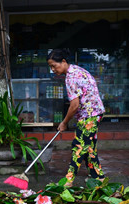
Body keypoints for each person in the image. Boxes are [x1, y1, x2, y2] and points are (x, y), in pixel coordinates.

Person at [47, 49, 105, 187]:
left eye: (54, 66)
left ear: (63, 62)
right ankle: (98, 177)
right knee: (89, 146)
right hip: (95, 113)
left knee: (78, 146)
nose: (53, 69)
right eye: (51, 67)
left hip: (89, 115)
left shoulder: (71, 78)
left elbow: (74, 105)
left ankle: (69, 180)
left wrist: (64, 122)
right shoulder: (77, 70)